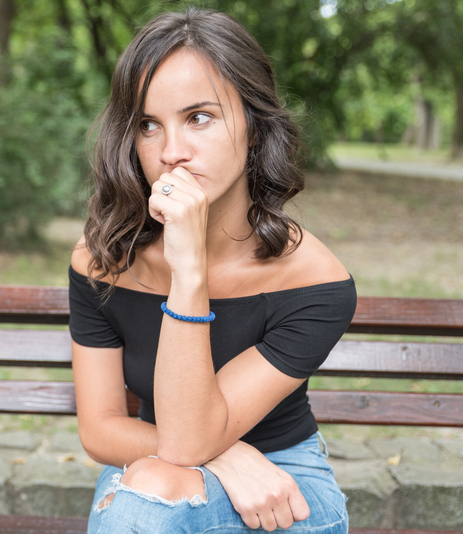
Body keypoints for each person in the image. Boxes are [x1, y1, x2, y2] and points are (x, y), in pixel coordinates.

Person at [68, 7, 356, 534]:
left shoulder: (313, 279)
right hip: (151, 468)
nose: (172, 153)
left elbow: (185, 441)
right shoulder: (102, 259)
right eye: (149, 126)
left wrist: (189, 272)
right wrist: (225, 455)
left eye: (199, 117)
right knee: (150, 490)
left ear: (253, 122)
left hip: (281, 484)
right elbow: (102, 429)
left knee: (147, 497)